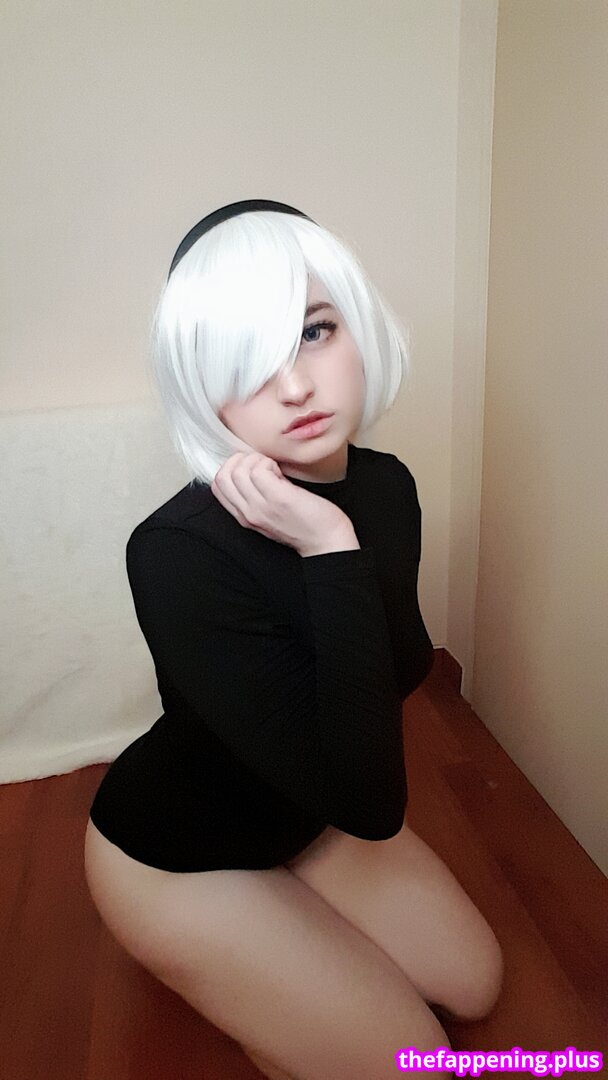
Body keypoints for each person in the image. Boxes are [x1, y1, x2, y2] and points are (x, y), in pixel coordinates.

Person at [84, 200, 503, 1080]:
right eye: (244, 363)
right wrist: (328, 550)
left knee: (477, 984)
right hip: (178, 852)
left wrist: (334, 540)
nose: (295, 387)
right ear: (200, 390)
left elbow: (394, 675)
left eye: (314, 332)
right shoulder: (177, 551)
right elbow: (373, 805)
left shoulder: (384, 488)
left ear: (359, 325)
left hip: (311, 810)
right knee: (418, 1061)